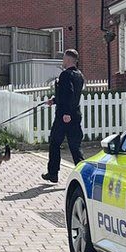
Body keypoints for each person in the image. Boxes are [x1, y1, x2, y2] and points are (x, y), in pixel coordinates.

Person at [42, 49, 84, 183]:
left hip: (64, 117)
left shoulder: (65, 75)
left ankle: (53, 173)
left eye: (64, 59)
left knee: (54, 143)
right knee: (75, 146)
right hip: (75, 115)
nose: (63, 61)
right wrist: (54, 100)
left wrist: (66, 113)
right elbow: (68, 95)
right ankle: (84, 173)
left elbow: (69, 94)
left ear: (68, 59)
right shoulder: (79, 75)